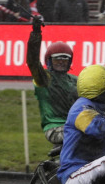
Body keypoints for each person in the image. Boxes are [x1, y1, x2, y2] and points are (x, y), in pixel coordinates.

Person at [25, 16, 78, 145]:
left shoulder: (76, 80)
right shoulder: (44, 78)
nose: (61, 62)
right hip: (55, 128)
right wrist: (36, 33)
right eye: (57, 59)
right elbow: (32, 61)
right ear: (49, 61)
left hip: (76, 126)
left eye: (65, 59)